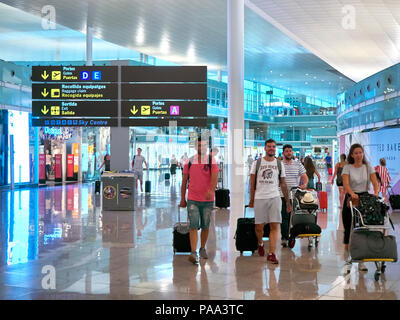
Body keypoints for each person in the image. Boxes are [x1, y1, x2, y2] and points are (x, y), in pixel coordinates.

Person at [248, 139, 291, 264]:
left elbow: (283, 183)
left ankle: (271, 253)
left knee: (274, 225)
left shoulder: (279, 164)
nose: (271, 148)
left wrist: (287, 201)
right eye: (269, 146)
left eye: (273, 146)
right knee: (259, 226)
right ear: (265, 148)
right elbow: (252, 183)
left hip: (275, 197)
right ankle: (260, 243)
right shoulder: (257, 163)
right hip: (260, 197)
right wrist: (251, 199)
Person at [179, 137, 218, 264]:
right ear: (196, 147)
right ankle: (193, 252)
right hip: (193, 199)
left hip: (207, 200)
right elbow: (184, 181)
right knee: (193, 225)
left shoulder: (211, 161)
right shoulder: (189, 161)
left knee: (206, 226)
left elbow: (214, 178)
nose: (203, 148)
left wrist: (211, 190)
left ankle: (202, 248)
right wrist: (182, 198)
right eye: (200, 145)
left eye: (205, 145)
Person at [342, 143, 379, 273]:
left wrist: (376, 193)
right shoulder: (347, 168)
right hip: (351, 199)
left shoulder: (368, 168)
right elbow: (346, 184)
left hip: (364, 199)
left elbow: (375, 182)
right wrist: (352, 193)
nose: (359, 155)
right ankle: (347, 259)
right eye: (356, 153)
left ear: (363, 154)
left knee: (363, 228)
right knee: (348, 228)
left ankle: (362, 261)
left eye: (360, 152)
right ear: (352, 155)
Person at [279, 144, 308, 247]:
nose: (289, 153)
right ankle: (284, 237)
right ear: (283, 153)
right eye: (286, 151)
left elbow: (304, 176)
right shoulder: (279, 164)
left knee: (293, 217)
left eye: (290, 151)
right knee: (285, 216)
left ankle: (291, 235)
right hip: (281, 195)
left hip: (295, 195)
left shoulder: (298, 164)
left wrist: (304, 184)